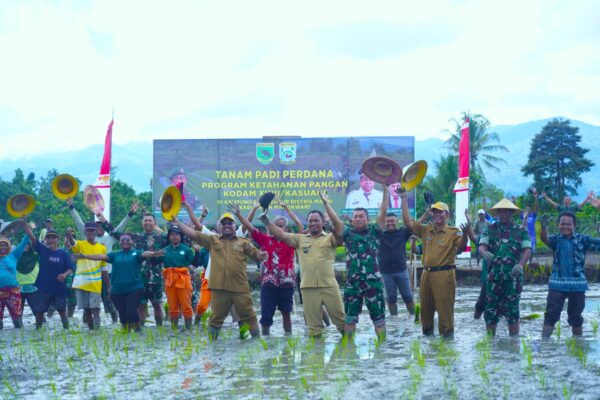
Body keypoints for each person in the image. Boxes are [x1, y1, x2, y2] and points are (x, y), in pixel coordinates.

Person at [262, 191, 346, 338]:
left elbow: (339, 226)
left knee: (342, 323)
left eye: (316, 220)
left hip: (329, 286)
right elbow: (281, 235)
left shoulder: (331, 238)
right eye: (311, 221)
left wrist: (326, 204)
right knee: (314, 328)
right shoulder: (299, 239)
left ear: (322, 222)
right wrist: (266, 221)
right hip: (308, 288)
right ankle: (316, 358)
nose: (313, 223)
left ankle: (348, 356)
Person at [172, 213, 268, 339]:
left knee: (249, 316)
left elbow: (255, 253)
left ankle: (256, 343)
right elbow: (193, 233)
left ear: (235, 226)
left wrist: (260, 255)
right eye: (224, 223)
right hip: (219, 288)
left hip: (240, 288)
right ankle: (213, 347)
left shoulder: (244, 242)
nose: (227, 225)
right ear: (220, 227)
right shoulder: (212, 240)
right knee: (216, 319)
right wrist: (178, 223)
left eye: (230, 223)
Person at [230, 196, 304, 336]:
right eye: (275, 224)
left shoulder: (291, 240)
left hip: (286, 283)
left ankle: (288, 339)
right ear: (269, 227)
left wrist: (287, 209)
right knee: (266, 318)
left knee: (286, 314)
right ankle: (266, 342)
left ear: (285, 228)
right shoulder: (264, 239)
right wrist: (239, 214)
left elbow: (300, 226)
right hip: (268, 284)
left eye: (281, 225)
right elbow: (249, 227)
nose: (277, 227)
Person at [400, 191, 469, 338]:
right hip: (426, 274)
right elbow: (408, 223)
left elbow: (461, 247)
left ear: (447, 215)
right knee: (425, 312)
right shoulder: (426, 230)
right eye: (435, 212)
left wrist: (467, 234)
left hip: (445, 275)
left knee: (445, 313)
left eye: (440, 212)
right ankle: (428, 347)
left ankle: (447, 345)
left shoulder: (453, 231)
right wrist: (404, 198)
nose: (437, 215)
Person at [332, 184, 388, 338]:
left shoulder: (375, 231)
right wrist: (326, 204)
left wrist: (385, 190)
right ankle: (349, 352)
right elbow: (336, 223)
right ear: (352, 219)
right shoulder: (347, 234)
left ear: (366, 219)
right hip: (353, 283)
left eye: (361, 216)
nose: (358, 219)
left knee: (379, 320)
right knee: (349, 320)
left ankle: (382, 350)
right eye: (355, 216)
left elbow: (383, 211)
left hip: (373, 282)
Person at [540, 211, 600, 338]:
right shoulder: (556, 240)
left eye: (569, 224)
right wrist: (544, 227)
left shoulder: (583, 239)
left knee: (576, 317)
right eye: (563, 224)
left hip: (578, 285)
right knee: (551, 315)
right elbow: (544, 239)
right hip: (557, 284)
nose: (565, 226)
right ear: (558, 225)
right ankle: (544, 345)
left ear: (574, 226)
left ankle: (578, 345)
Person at [478, 199, 531, 336]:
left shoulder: (521, 230)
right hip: (493, 278)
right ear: (497, 213)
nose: (504, 214)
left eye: (507, 211)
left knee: (513, 312)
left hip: (513, 278)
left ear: (511, 212)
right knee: (490, 311)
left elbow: (527, 250)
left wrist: (521, 264)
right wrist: (484, 253)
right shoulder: (489, 229)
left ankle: (514, 344)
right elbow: (481, 246)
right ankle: (490, 345)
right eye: (501, 211)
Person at [76, 233, 146, 332]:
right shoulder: (115, 255)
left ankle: (138, 330)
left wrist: (154, 253)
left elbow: (145, 254)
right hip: (117, 289)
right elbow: (100, 256)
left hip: (134, 288)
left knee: (131, 310)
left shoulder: (136, 253)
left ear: (132, 241)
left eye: (128, 239)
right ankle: (126, 333)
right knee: (122, 312)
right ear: (120, 242)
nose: (125, 241)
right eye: (122, 240)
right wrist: (84, 256)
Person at [23, 222, 73, 329]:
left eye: (53, 238)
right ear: (45, 240)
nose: (50, 240)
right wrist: (24, 222)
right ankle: (38, 332)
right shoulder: (43, 250)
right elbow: (32, 236)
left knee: (62, 312)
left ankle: (67, 331)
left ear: (57, 240)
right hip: (43, 287)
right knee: (39, 312)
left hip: (59, 288)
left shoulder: (63, 254)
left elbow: (70, 268)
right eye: (48, 238)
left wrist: (64, 275)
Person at [143, 225, 195, 329]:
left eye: (176, 234)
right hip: (169, 280)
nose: (174, 237)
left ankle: (188, 329)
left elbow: (195, 263)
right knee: (172, 304)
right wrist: (154, 254)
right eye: (172, 235)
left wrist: (197, 251)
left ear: (181, 236)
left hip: (183, 279)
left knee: (186, 304)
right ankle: (174, 329)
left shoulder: (187, 250)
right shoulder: (164, 250)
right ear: (169, 237)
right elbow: (154, 263)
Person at [66, 221, 110, 330]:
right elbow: (73, 243)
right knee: (87, 310)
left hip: (95, 283)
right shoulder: (80, 244)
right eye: (88, 231)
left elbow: (104, 269)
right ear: (85, 232)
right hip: (81, 283)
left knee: (95, 310)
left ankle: (97, 332)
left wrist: (109, 286)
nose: (90, 233)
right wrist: (69, 235)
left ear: (96, 232)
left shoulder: (102, 248)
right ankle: (91, 331)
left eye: (92, 230)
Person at [132, 213, 167, 326]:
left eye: (150, 220)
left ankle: (160, 328)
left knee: (157, 304)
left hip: (156, 278)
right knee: (141, 305)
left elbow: (176, 236)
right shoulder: (137, 237)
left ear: (155, 223)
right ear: (142, 223)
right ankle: (140, 331)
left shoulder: (162, 237)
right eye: (145, 220)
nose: (147, 222)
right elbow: (117, 234)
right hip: (139, 278)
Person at [380, 211, 415, 318]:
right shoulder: (380, 234)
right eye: (388, 221)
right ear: (384, 223)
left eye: (392, 221)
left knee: (408, 297)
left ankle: (415, 317)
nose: (390, 223)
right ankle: (394, 320)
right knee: (391, 299)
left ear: (397, 222)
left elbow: (415, 226)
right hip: (386, 272)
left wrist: (426, 214)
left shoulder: (403, 232)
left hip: (401, 270)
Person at [0, 221, 29, 329]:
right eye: (0, 245)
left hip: (13, 290)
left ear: (8, 246)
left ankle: (20, 341)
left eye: (4, 244)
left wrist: (26, 225)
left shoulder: (13, 255)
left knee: (17, 319)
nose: (2, 247)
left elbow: (25, 241)